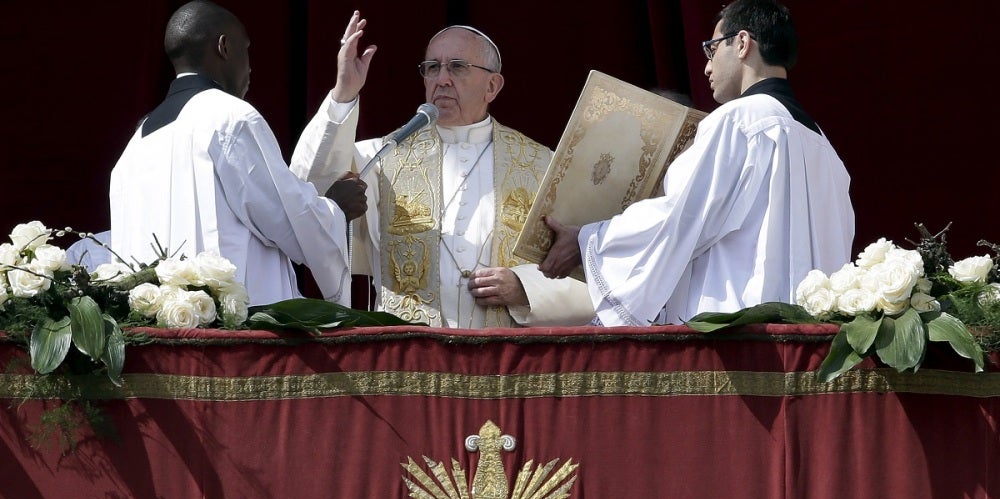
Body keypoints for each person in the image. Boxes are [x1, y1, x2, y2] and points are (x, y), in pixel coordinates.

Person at [539, 0, 854, 327]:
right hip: (812, 340)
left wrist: (589, 240)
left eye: (712, 49)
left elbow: (680, 216)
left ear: (742, 43)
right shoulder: (824, 147)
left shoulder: (738, 121)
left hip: (738, 333)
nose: (706, 67)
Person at [291, 12, 595, 328]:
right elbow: (308, 191)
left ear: (492, 86)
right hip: (409, 355)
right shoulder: (382, 157)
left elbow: (591, 266)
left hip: (506, 363)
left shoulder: (542, 165)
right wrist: (344, 94)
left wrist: (526, 289)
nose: (442, 79)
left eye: (458, 67)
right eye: (432, 68)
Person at [109, 1, 367, 307]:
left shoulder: (133, 147)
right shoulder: (230, 118)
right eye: (246, 51)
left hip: (158, 337)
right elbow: (286, 217)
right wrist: (336, 207)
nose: (250, 67)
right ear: (224, 47)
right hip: (232, 335)